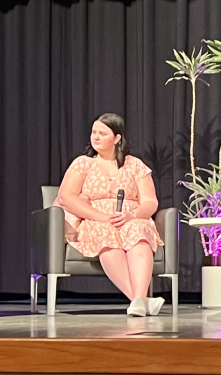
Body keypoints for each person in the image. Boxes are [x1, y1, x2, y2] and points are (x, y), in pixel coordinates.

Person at [56, 113, 167, 317]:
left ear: (117, 138)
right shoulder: (83, 163)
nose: (95, 137)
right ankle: (140, 300)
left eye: (102, 133)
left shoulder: (135, 165)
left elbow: (150, 202)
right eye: (93, 132)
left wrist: (132, 215)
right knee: (105, 233)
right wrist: (100, 216)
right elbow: (65, 198)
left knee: (138, 231)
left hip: (130, 217)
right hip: (94, 219)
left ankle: (139, 300)